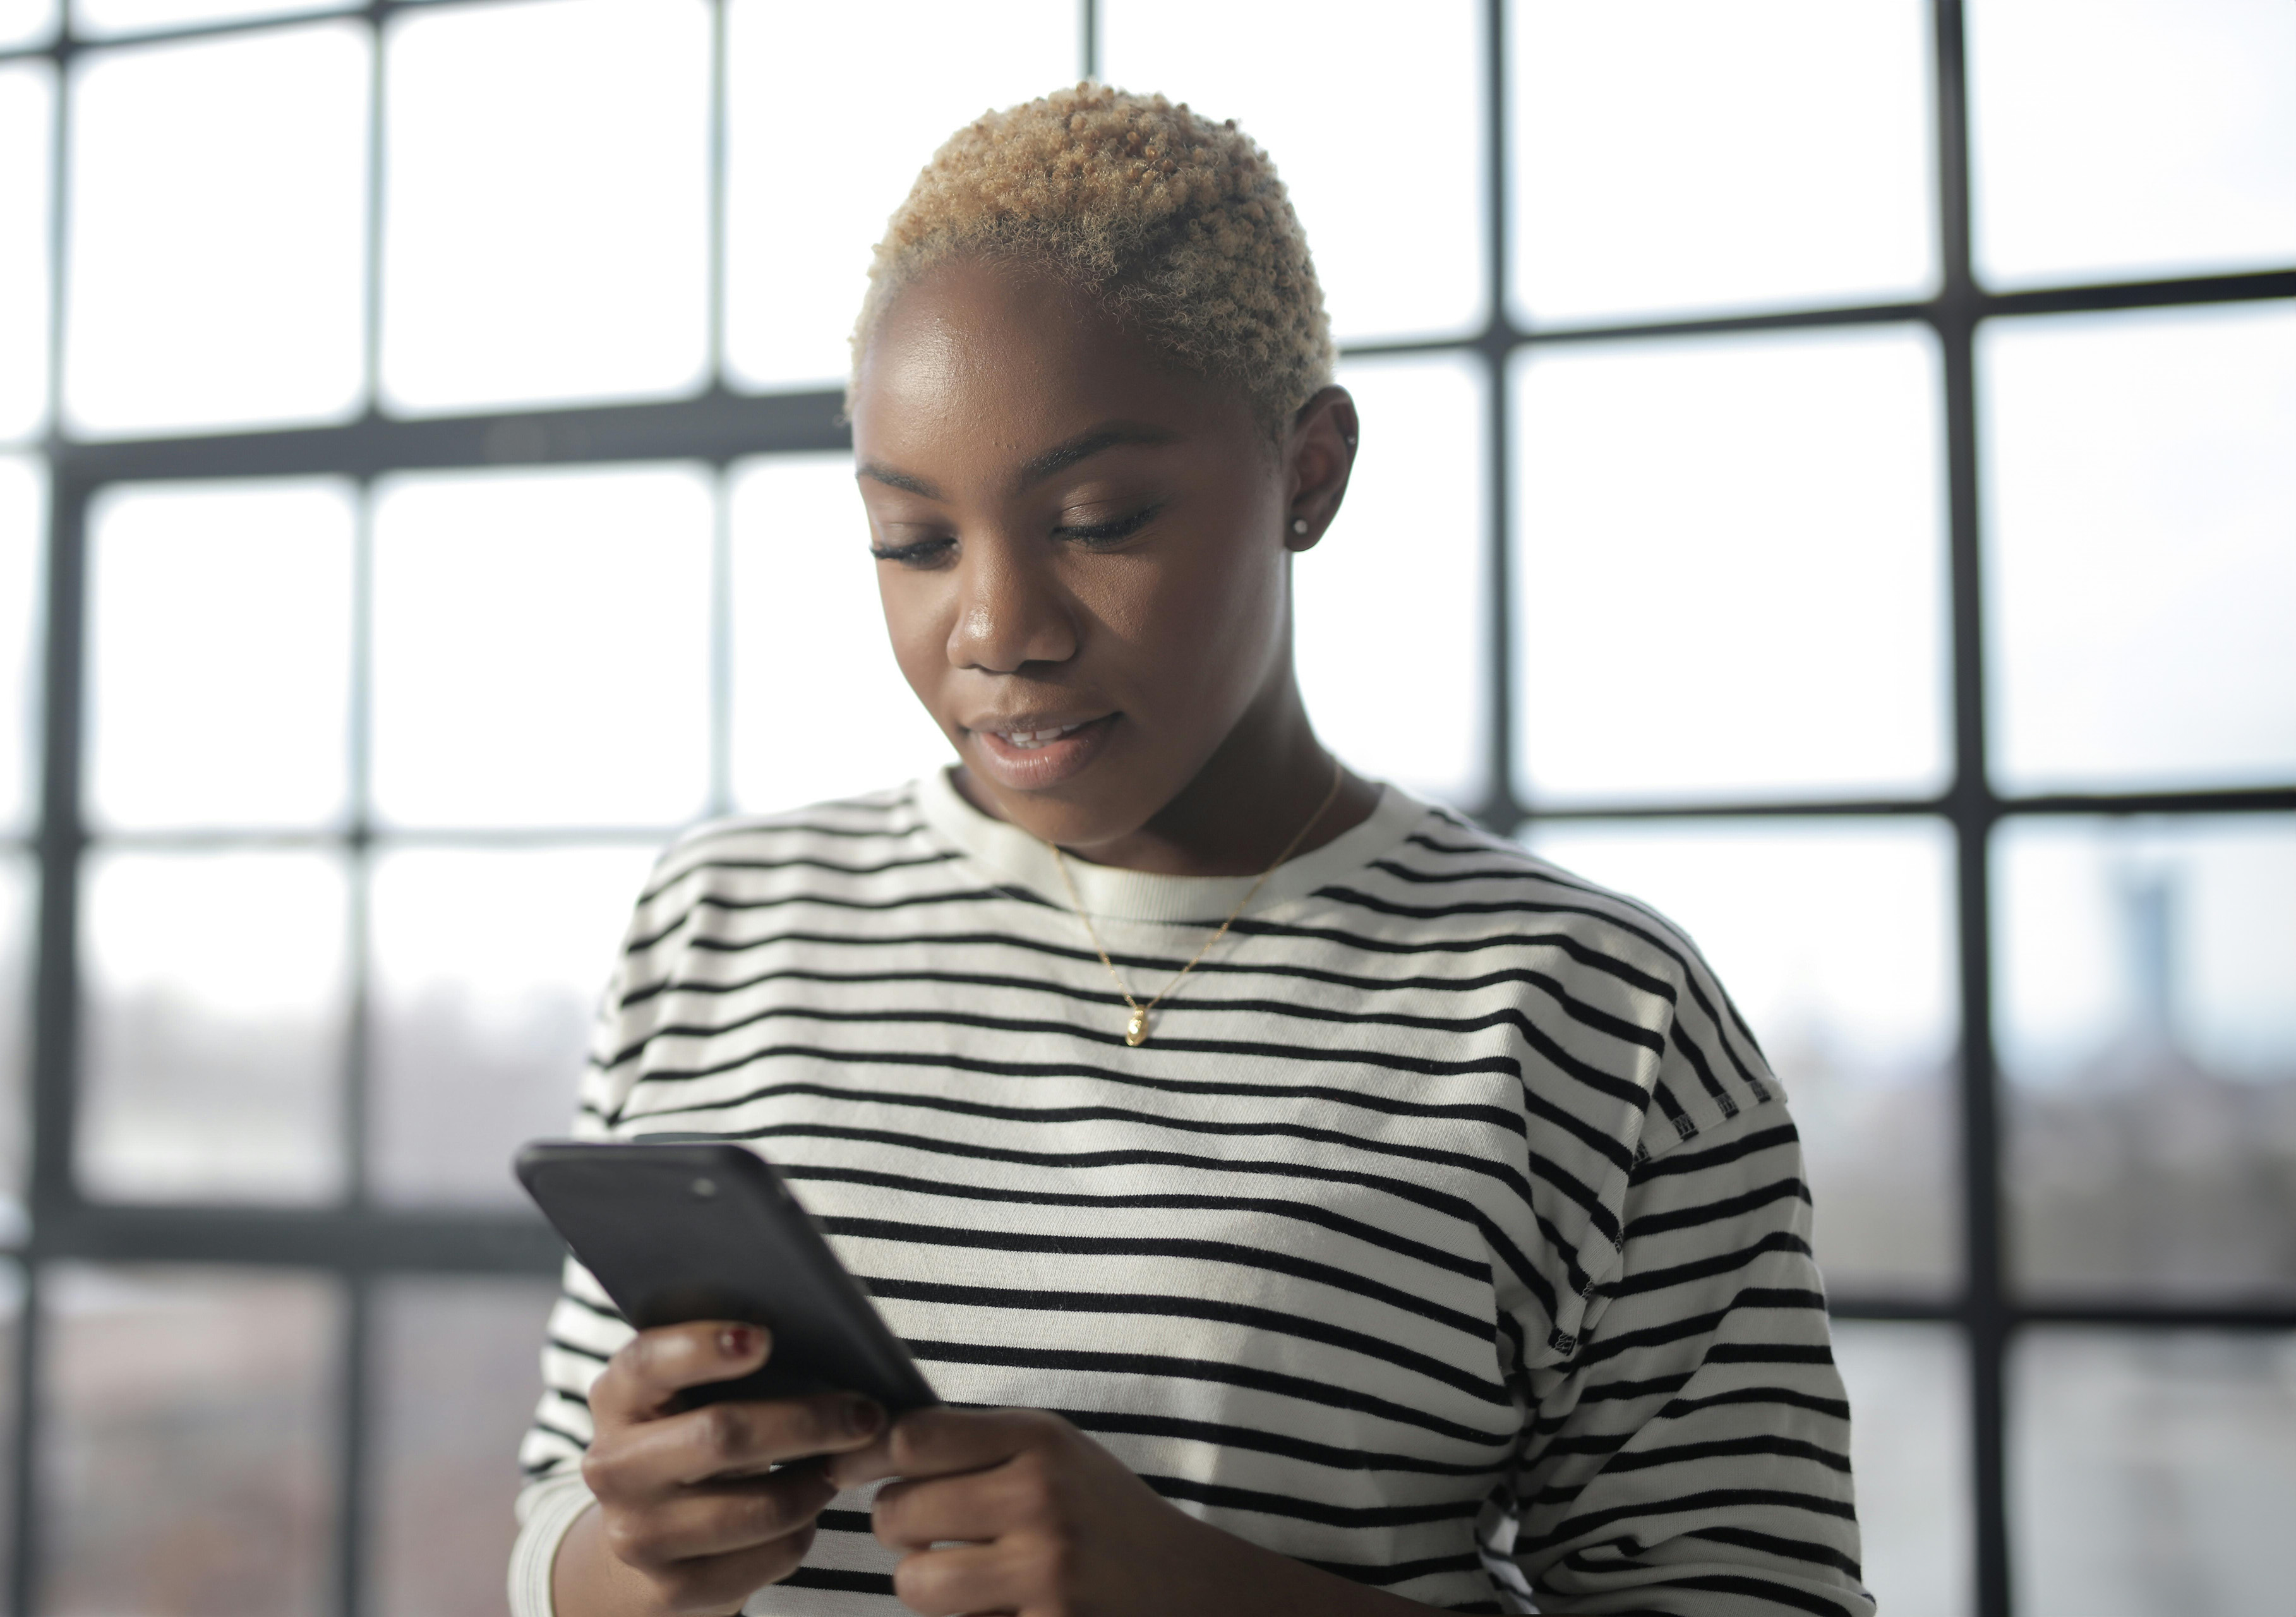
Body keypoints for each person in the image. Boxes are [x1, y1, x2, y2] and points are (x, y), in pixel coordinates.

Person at [510, 83, 1873, 1617]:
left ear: (1309, 472)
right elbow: (561, 1504)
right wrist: (628, 1551)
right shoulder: (726, 917)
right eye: (914, 540)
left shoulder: (1590, 1016)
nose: (995, 631)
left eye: (1097, 518)